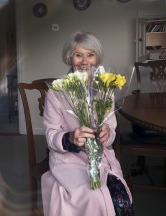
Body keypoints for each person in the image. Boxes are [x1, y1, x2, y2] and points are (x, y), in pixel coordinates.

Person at [41, 31, 134, 216]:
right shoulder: (56, 92)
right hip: (69, 161)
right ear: (70, 57)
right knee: (94, 198)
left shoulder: (105, 88)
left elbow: (112, 129)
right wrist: (70, 138)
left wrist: (108, 134)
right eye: (78, 55)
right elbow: (51, 134)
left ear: (96, 58)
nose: (84, 62)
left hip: (102, 160)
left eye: (90, 55)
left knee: (120, 200)